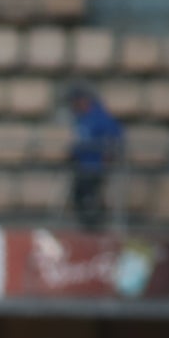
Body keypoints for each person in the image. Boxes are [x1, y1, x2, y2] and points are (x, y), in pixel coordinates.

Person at [68, 84, 123, 231]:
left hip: (96, 166)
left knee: (92, 196)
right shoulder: (82, 119)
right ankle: (88, 225)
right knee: (80, 196)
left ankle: (95, 225)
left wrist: (108, 156)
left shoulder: (100, 117)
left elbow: (114, 138)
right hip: (83, 166)